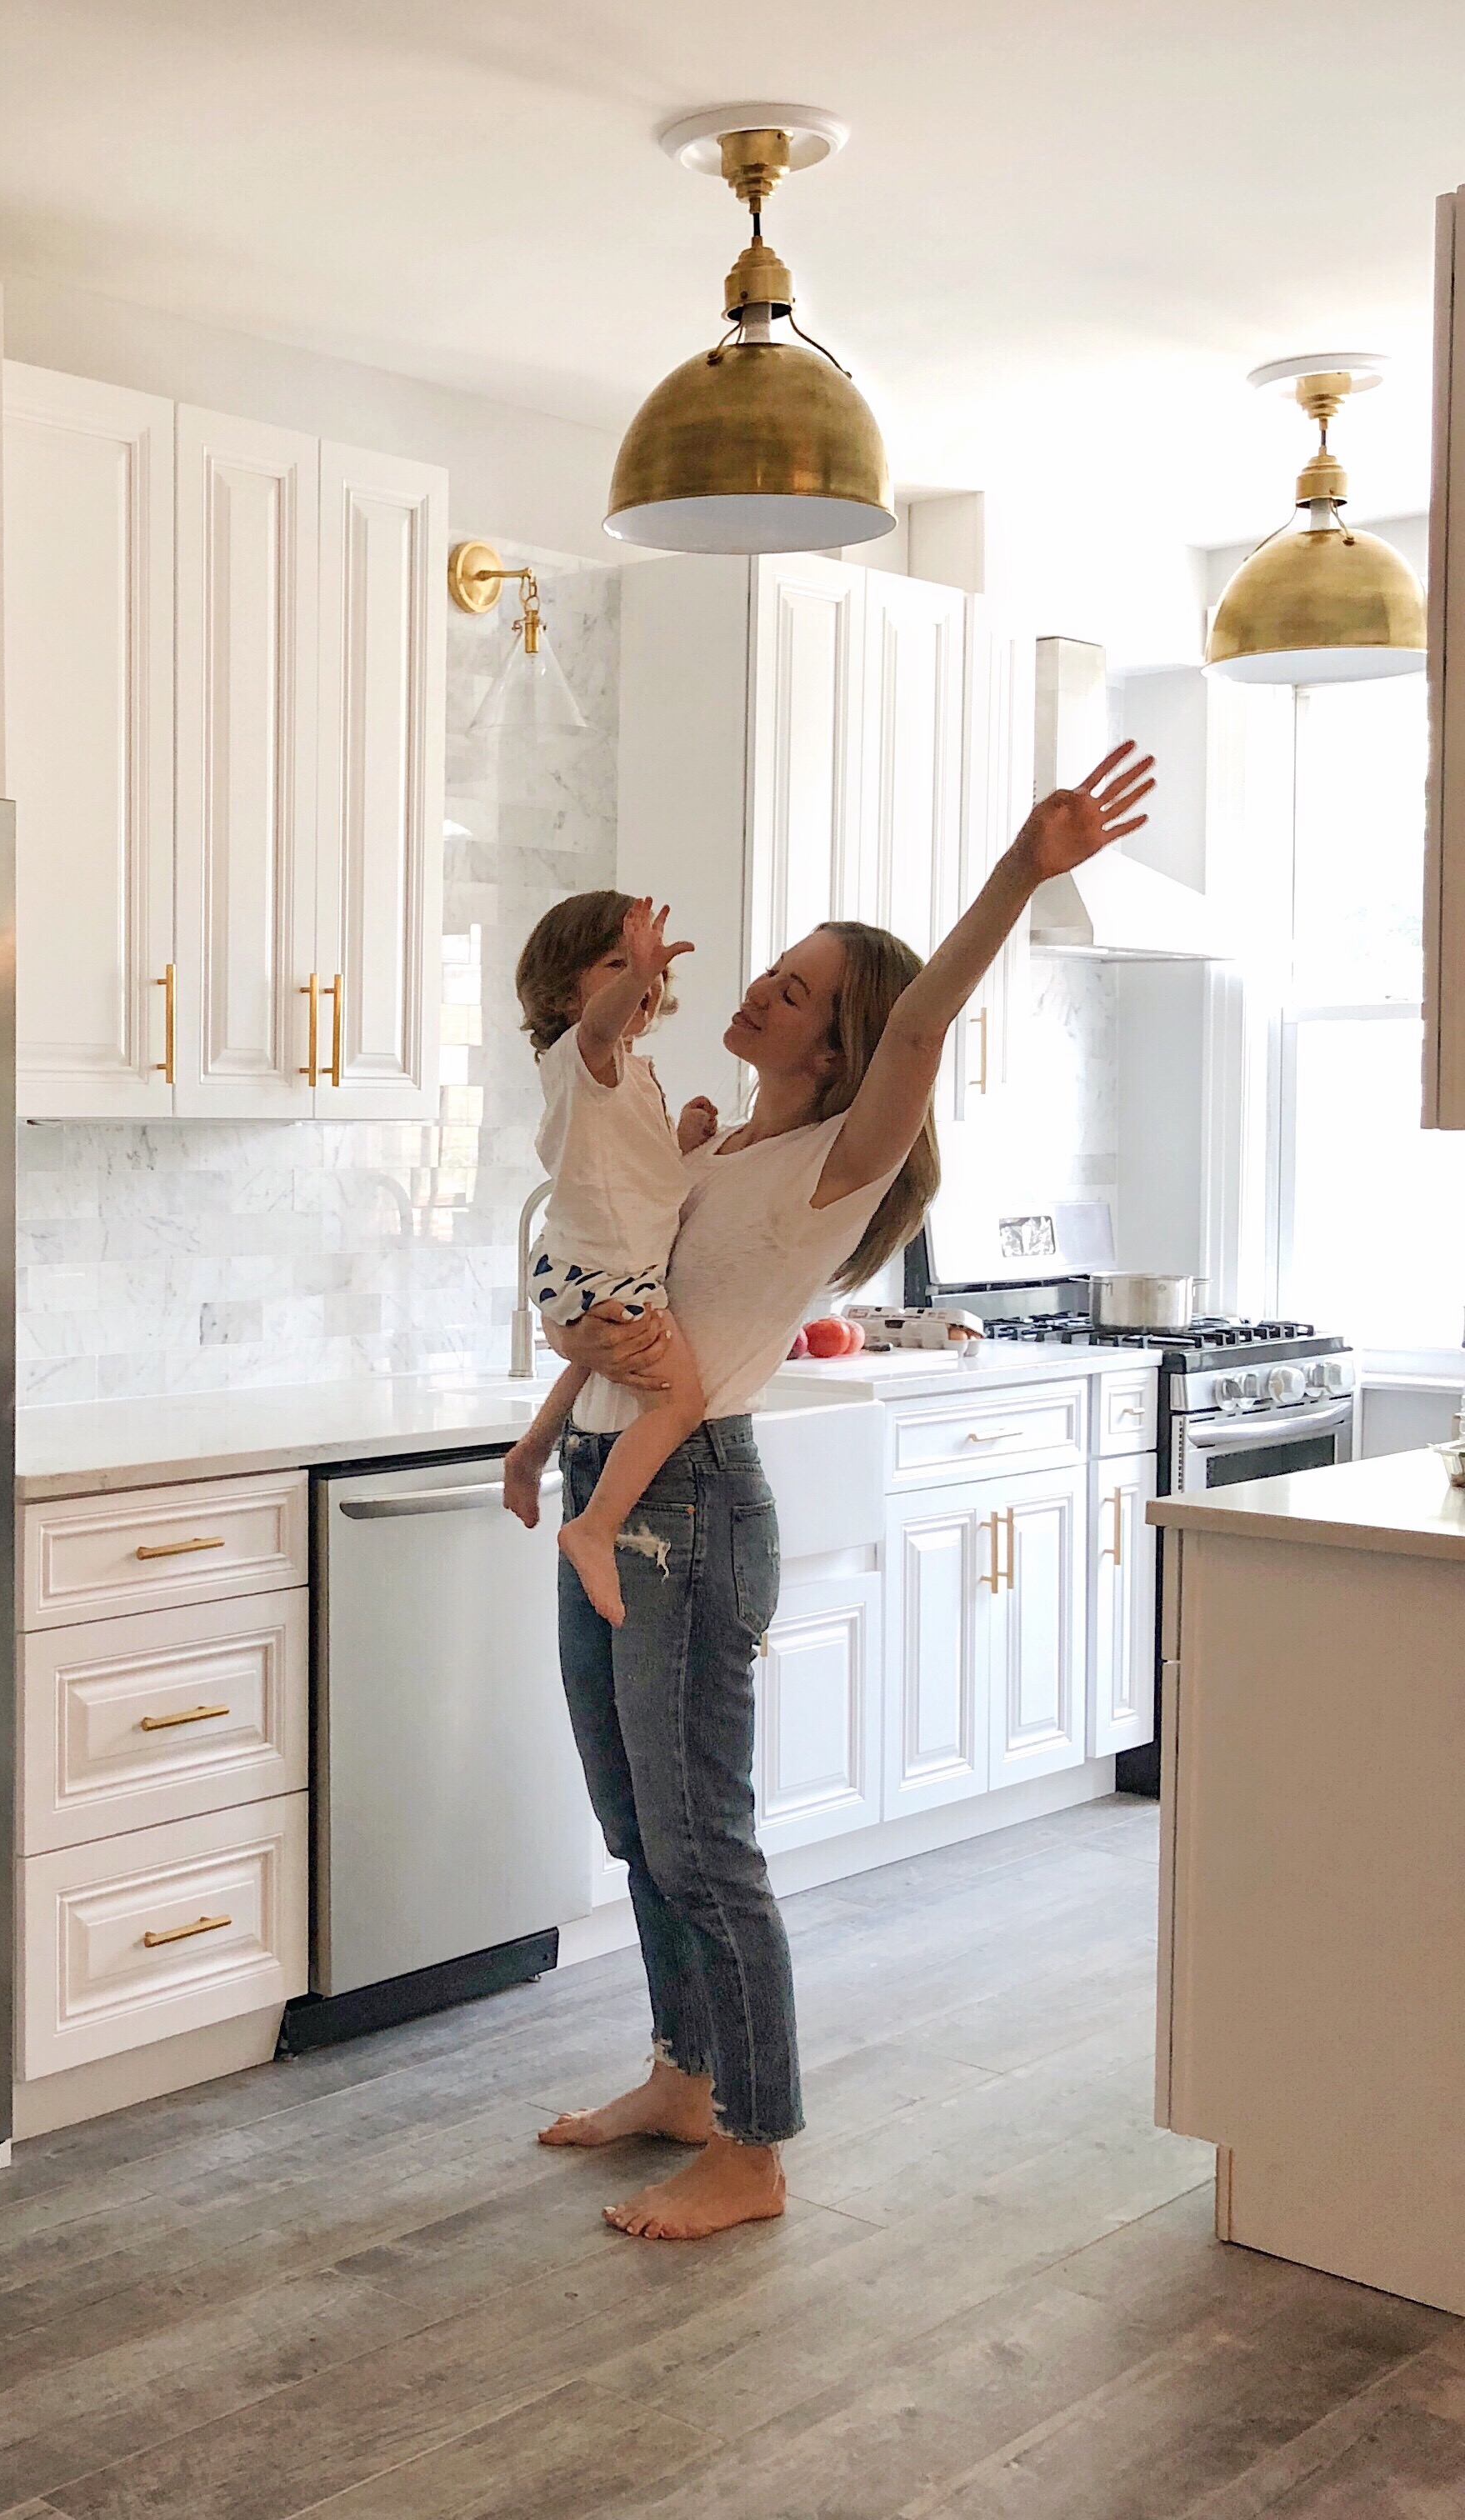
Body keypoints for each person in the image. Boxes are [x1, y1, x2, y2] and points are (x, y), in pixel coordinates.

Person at [532, 741, 1157, 2243]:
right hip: (603, 1472)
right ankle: (684, 2075)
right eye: (772, 969)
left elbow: (926, 1020)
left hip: (686, 1502)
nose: (759, 988)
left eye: (798, 989)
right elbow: (609, 1273)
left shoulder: (836, 1156)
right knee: (632, 1824)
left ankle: (752, 2145)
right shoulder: (717, 1137)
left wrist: (1018, 868)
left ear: (840, 1045)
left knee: (703, 1840)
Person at [498, 891, 719, 1623]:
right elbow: (600, 1025)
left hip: (600, 1266)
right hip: (605, 1266)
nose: (646, 980)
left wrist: (681, 1138)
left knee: (596, 1358)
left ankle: (530, 1451)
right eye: (620, 964)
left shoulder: (634, 1071)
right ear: (566, 994)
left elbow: (643, 1174)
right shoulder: (581, 1059)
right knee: (678, 1401)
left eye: (652, 971)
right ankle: (594, 1527)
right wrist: (637, 976)